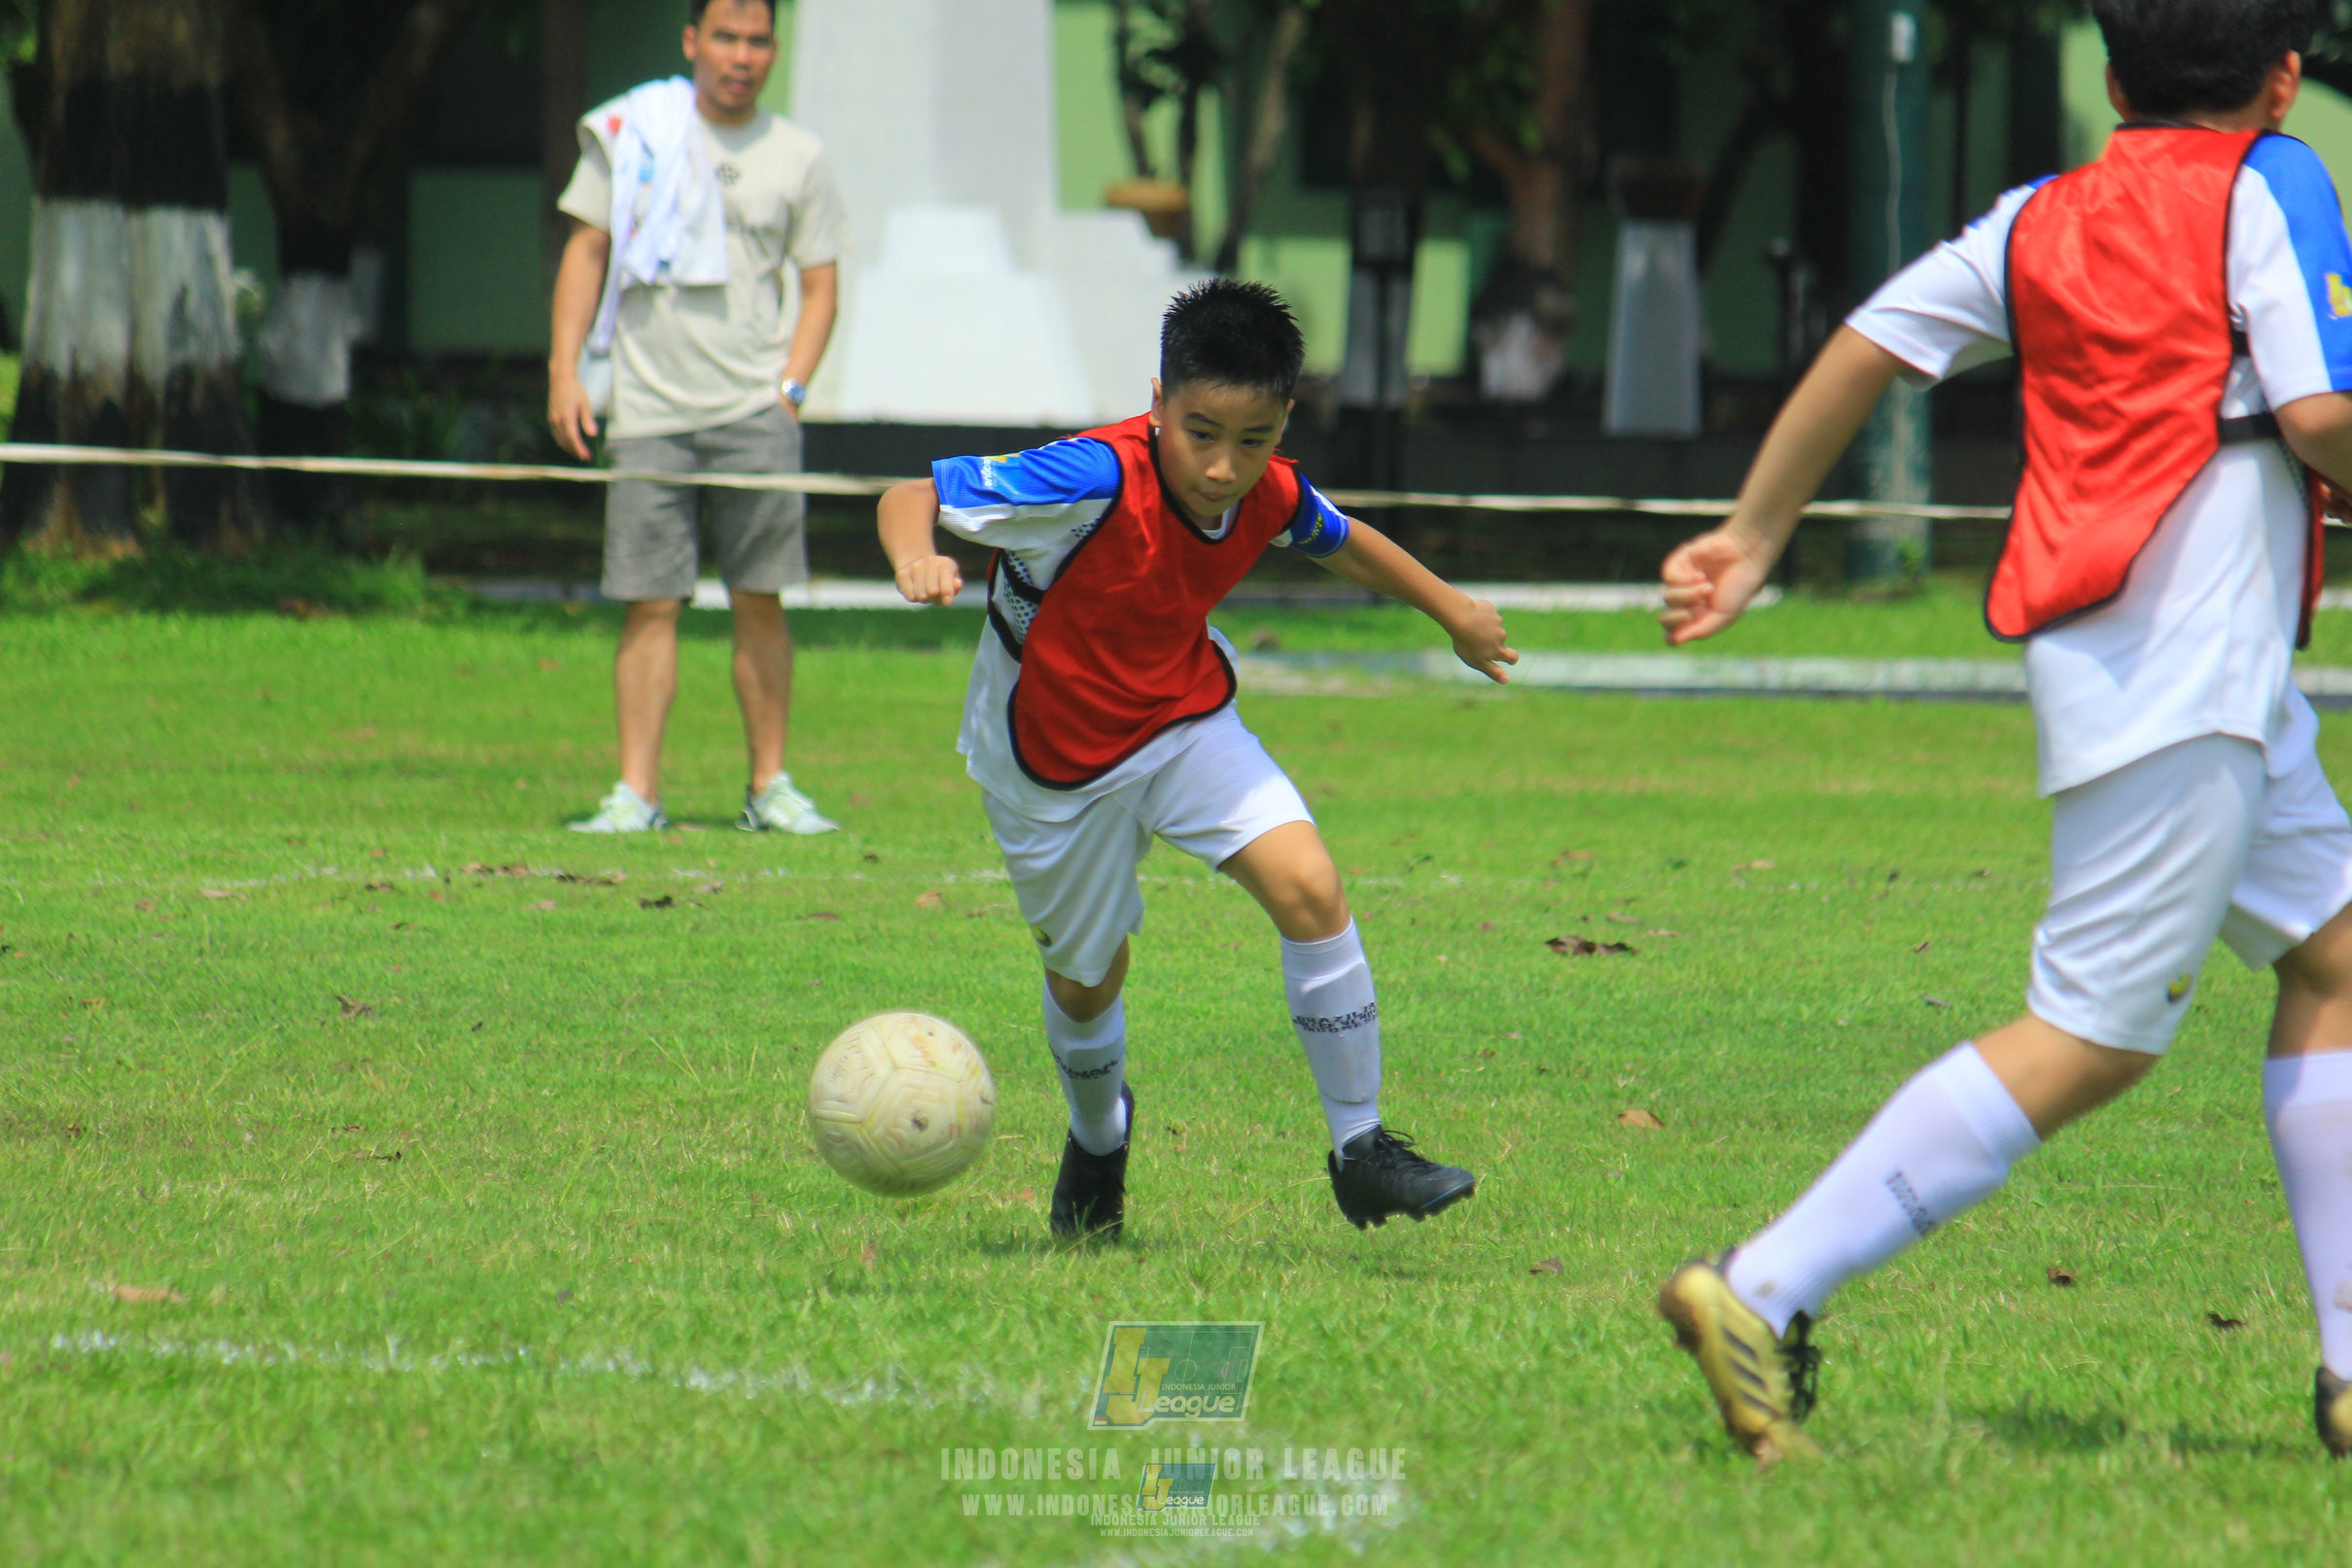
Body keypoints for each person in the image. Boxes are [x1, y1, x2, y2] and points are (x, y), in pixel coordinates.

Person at [1651, 0, 2352, 1464]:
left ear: (2110, 76)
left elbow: (1866, 341)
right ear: (2284, 80)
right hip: (2188, 679)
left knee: (2339, 959)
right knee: (2089, 1038)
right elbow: (2316, 412)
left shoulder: (2040, 214)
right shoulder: (2273, 178)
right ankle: (1762, 1286)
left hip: (2152, 663)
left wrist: (1753, 531)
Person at [875, 279, 1514, 1238]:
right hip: (1049, 755)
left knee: (1310, 886)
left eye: (1252, 441)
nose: (1222, 467)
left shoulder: (1268, 488)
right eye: (1199, 433)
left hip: (1181, 718)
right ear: (1157, 402)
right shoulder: (1090, 474)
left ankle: (1360, 1146)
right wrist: (912, 557)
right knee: (1086, 980)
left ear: (1283, 422)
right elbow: (911, 493)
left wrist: (1453, 610)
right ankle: (1099, 1135)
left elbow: (1343, 541)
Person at [547, 0, 843, 836]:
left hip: (754, 410)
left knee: (760, 598)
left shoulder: (800, 155)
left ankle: (769, 787)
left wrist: (789, 390)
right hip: (648, 410)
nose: (740, 56)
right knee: (648, 604)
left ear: (774, 50)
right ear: (691, 42)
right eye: (724, 37)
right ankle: (635, 794)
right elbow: (586, 250)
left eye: (756, 41)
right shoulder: (635, 132)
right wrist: (564, 372)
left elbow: (820, 285)